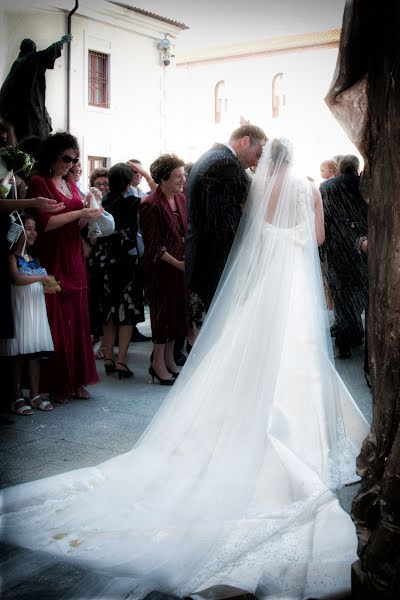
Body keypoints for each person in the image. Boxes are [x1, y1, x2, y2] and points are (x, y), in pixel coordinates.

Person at [0, 139, 369, 600]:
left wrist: (273, 238)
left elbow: (249, 233)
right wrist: (290, 239)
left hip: (266, 279)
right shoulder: (308, 189)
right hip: (293, 276)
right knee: (302, 351)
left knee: (252, 347)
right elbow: (315, 239)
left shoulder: (257, 188)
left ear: (267, 158)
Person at [28, 132, 101, 403]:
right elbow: (46, 223)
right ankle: (57, 383)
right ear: (53, 155)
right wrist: (80, 212)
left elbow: (76, 225)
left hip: (73, 255)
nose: (71, 164)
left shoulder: (69, 183)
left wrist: (87, 210)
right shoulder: (40, 182)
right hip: (53, 256)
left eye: (75, 159)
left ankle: (76, 381)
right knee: (57, 322)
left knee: (79, 321)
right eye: (66, 158)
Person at [185, 123, 267, 335]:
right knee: (215, 333)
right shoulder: (224, 164)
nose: (257, 161)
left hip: (202, 256)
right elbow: (225, 221)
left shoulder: (211, 157)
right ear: (245, 141)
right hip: (214, 260)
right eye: (258, 153)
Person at [89, 162, 144, 379]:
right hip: (126, 262)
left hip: (104, 262)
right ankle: (121, 360)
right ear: (129, 181)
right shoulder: (134, 202)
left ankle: (108, 357)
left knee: (108, 310)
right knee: (126, 313)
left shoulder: (102, 202)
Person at [140, 154, 188, 385]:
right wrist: (178, 263)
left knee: (176, 316)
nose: (183, 180)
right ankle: (157, 364)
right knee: (161, 318)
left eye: (183, 175)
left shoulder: (180, 199)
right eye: (178, 176)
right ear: (164, 178)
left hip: (180, 267)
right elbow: (153, 245)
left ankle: (169, 359)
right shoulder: (150, 204)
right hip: (161, 269)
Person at [1, 214, 55, 415]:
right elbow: (16, 279)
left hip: (36, 309)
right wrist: (41, 277)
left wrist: (49, 284)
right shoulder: (11, 257)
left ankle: (34, 394)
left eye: (34, 229)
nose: (33, 233)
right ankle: (16, 396)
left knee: (35, 354)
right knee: (17, 354)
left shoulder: (34, 258)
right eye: (28, 228)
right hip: (20, 307)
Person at [320, 154, 368, 358]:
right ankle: (355, 330)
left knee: (341, 292)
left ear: (340, 167)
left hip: (337, 247)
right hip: (361, 246)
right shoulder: (364, 186)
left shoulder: (327, 187)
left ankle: (344, 340)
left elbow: (325, 218)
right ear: (356, 168)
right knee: (358, 289)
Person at [0, 35, 72, 142]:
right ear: (32, 50)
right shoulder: (30, 59)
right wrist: (63, 41)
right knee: (34, 144)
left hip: (19, 115)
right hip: (30, 114)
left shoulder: (16, 65)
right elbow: (50, 52)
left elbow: (4, 93)